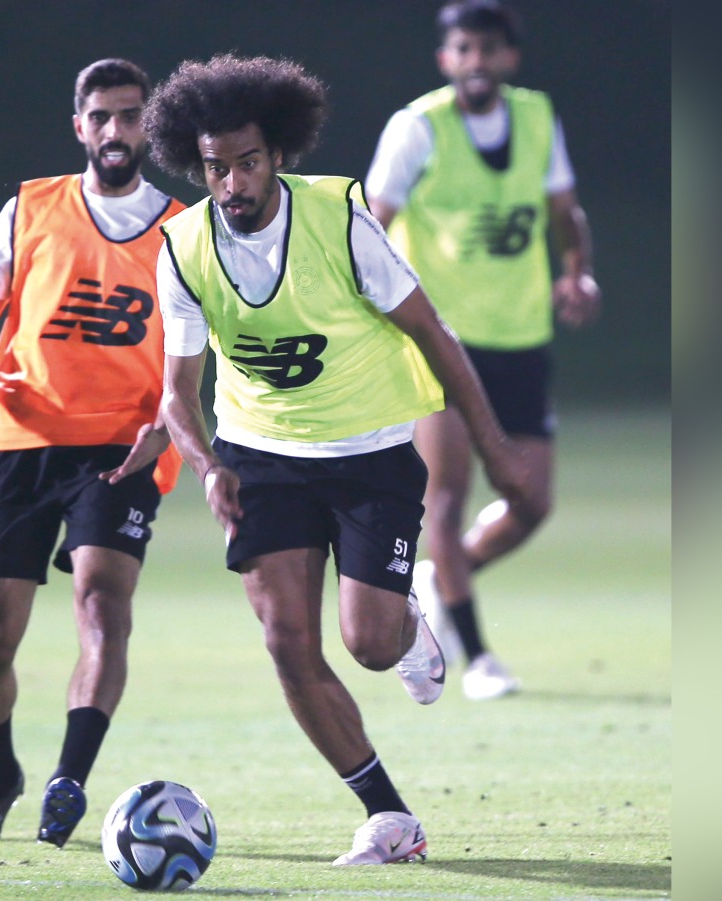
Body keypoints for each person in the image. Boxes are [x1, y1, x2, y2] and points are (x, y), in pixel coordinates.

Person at [108, 52, 528, 866]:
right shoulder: (185, 247)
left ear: (278, 154)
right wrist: (208, 465)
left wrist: (496, 447)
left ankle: (405, 627)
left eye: (248, 162)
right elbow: (177, 393)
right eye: (215, 167)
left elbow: (432, 331)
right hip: (261, 457)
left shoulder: (338, 219)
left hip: (369, 453)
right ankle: (389, 815)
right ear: (196, 165)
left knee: (368, 643)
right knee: (287, 643)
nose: (232, 183)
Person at [0, 58, 184, 845]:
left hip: (121, 443)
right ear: (79, 126)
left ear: (149, 126)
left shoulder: (184, 229)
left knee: (103, 604)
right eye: (101, 116)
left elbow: (194, 352)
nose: (115, 129)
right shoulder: (29, 209)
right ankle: (0, 773)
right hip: (22, 441)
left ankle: (68, 779)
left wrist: (171, 424)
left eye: (130, 114)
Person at [365, 0, 602, 700]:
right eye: (463, 49)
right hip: (441, 340)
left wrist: (578, 271)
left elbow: (566, 212)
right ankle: (476, 658)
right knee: (445, 496)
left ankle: (444, 577)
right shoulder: (418, 127)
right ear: (446, 59)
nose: (476, 61)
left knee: (532, 500)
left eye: (488, 49)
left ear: (509, 58)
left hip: (521, 336)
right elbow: (370, 224)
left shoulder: (536, 116)